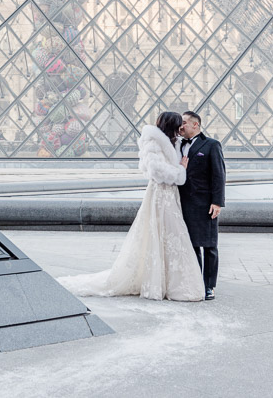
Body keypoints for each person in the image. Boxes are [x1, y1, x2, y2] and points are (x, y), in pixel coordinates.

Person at [58, 111, 205, 301]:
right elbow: (156, 171)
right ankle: (161, 281)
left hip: (169, 196)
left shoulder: (170, 141)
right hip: (160, 195)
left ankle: (168, 281)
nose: (181, 128)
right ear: (172, 126)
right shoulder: (153, 142)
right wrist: (180, 171)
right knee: (163, 234)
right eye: (179, 125)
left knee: (170, 237)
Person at [178, 111, 225, 301]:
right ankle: (197, 282)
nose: (180, 127)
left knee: (210, 245)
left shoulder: (212, 145)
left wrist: (217, 202)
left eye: (183, 123)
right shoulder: (177, 145)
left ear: (195, 125)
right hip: (184, 202)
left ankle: (209, 286)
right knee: (193, 246)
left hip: (205, 204)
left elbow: (219, 175)